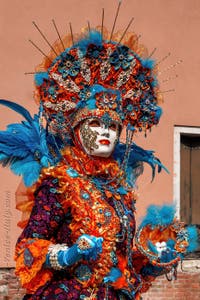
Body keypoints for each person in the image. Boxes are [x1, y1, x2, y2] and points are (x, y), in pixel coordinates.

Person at [0, 26, 198, 300]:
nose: (105, 132)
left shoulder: (120, 190)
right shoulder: (60, 182)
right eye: (95, 123)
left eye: (112, 126)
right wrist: (69, 254)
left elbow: (125, 263)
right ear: (77, 129)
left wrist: (154, 258)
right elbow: (28, 248)